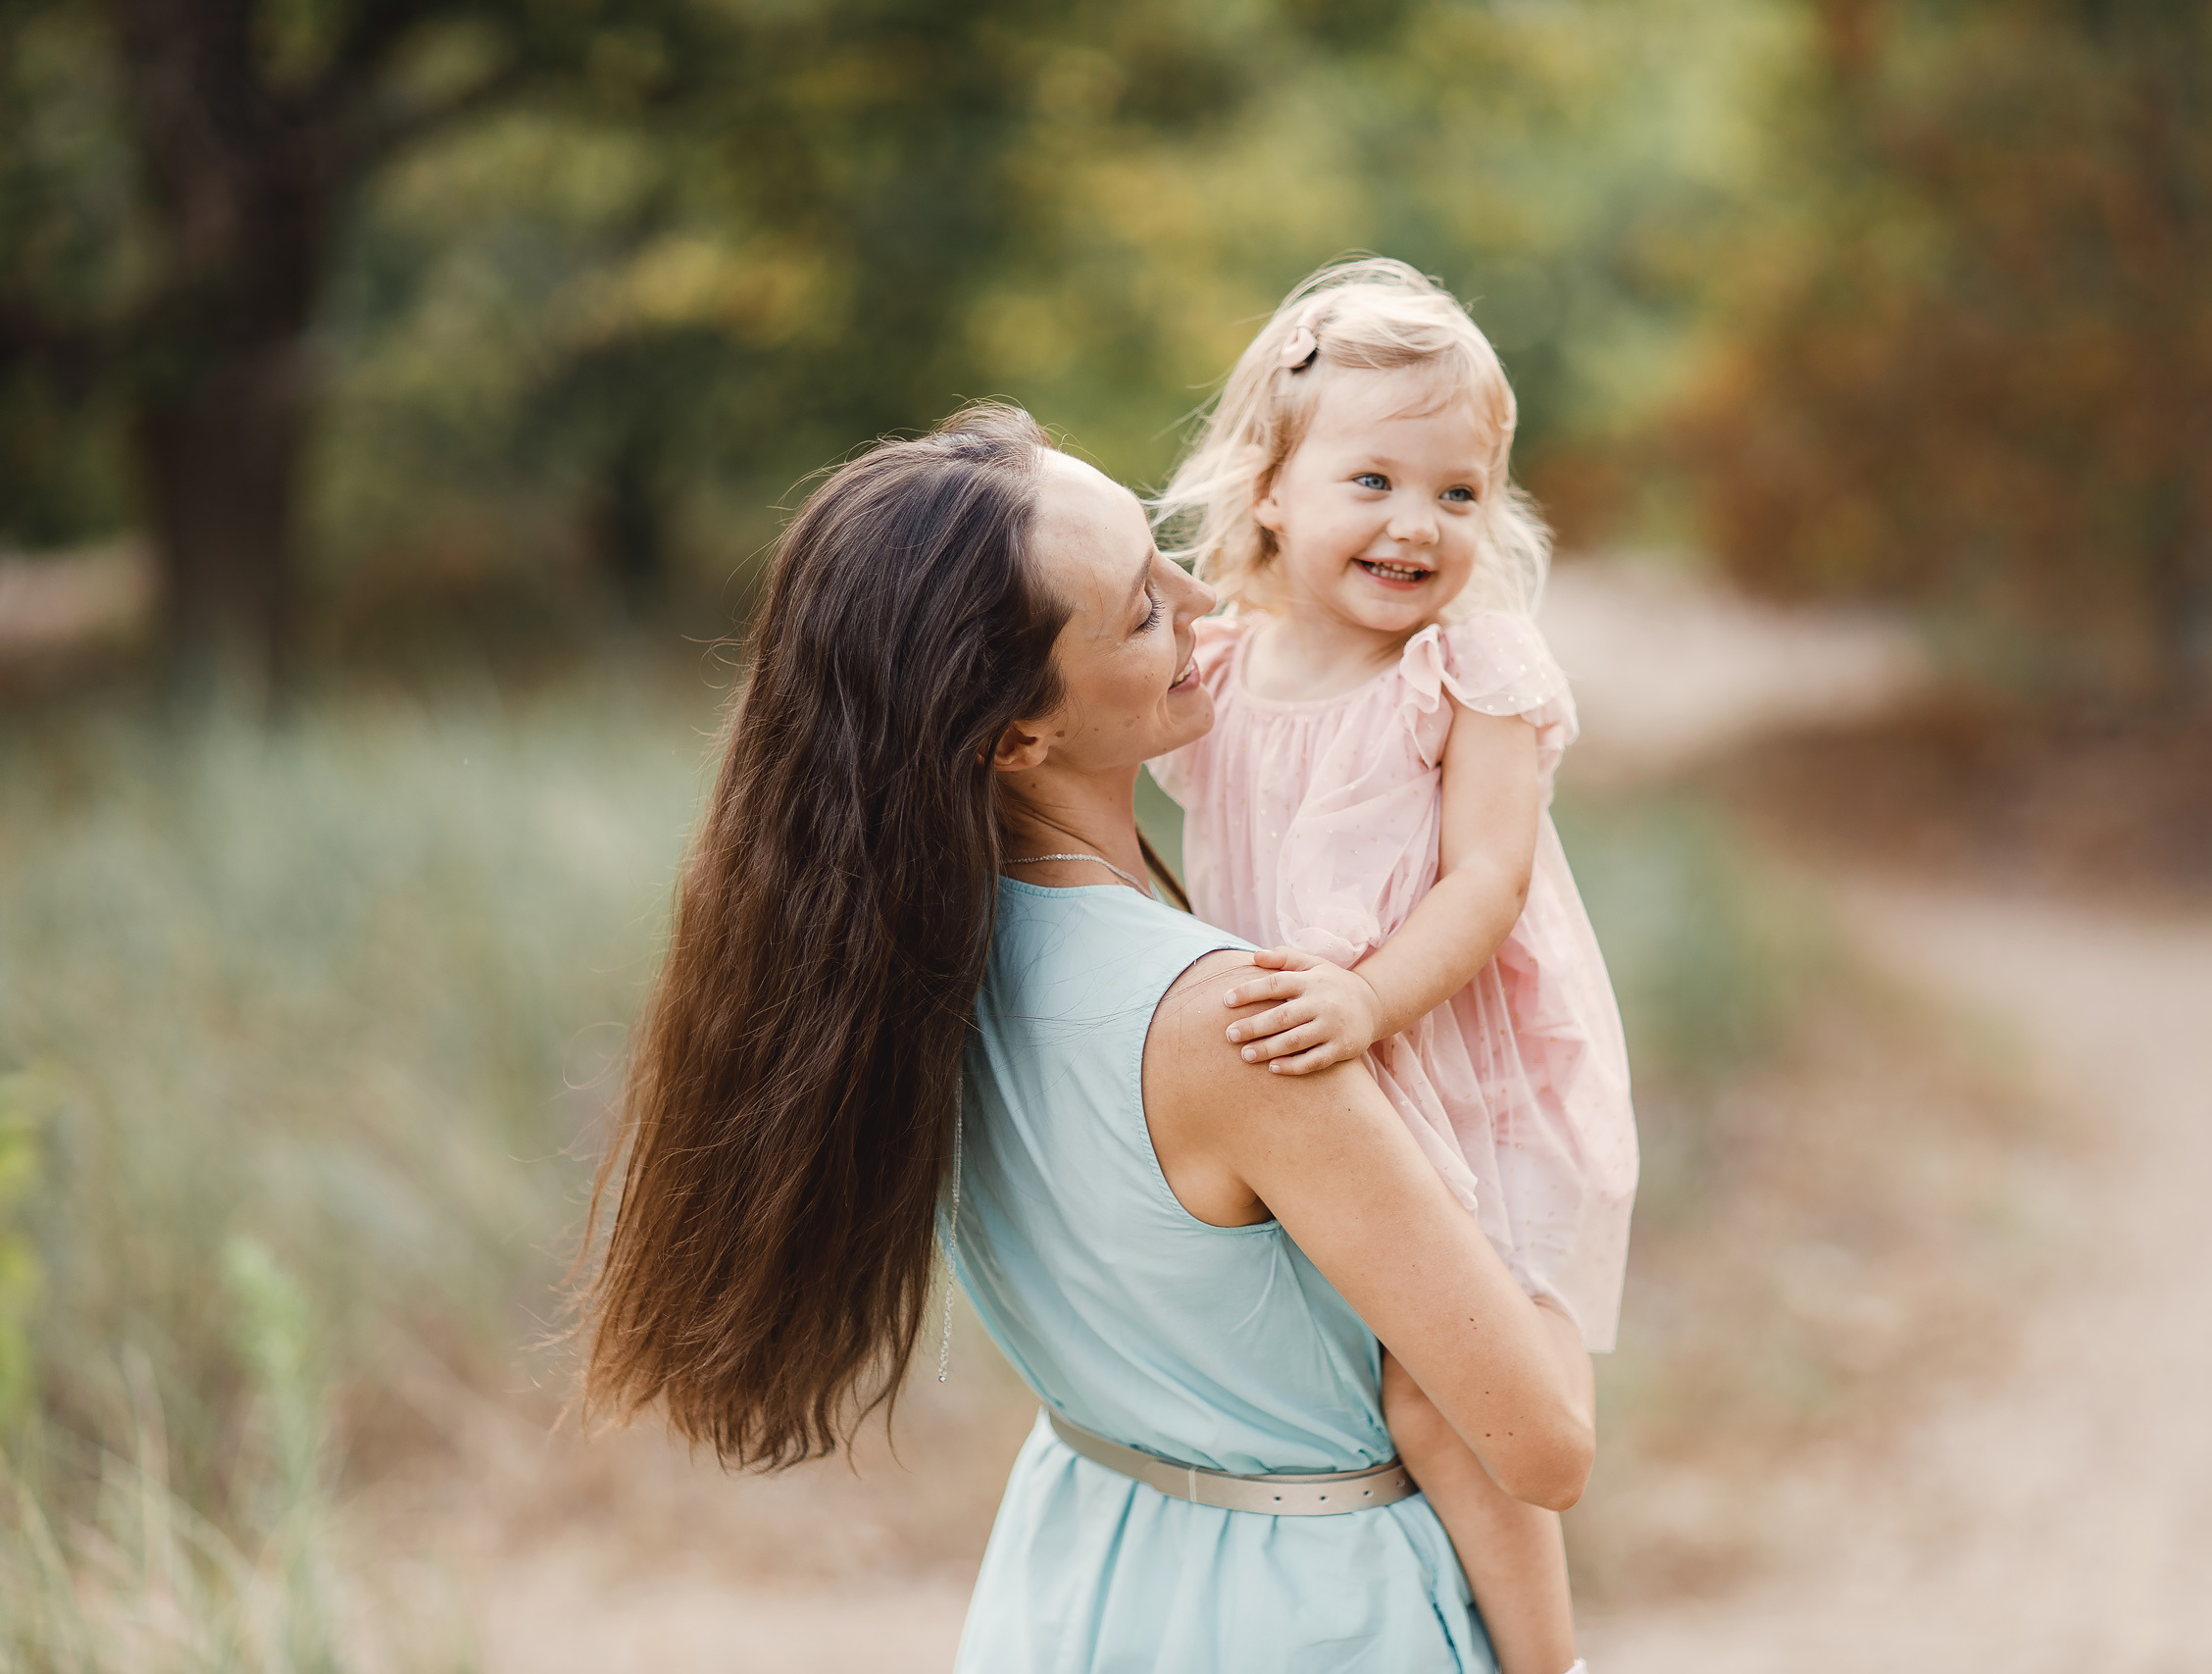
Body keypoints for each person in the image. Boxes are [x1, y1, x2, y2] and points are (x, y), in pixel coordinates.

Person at [576, 403, 1594, 1672]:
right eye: (1144, 610)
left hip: (1084, 1572)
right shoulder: (1224, 1024)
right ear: (1017, 735)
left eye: (1165, 557)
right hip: (1312, 1614)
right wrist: (1544, 1184)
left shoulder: (900, 966)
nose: (1206, 606)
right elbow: (1540, 1442)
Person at [1147, 259, 1639, 1674]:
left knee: (1445, 1396)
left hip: (1455, 1063)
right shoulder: (1223, 669)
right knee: (1343, 1387)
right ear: (1269, 491)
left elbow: (1486, 879)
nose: (1417, 525)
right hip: (1307, 1080)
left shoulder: (1468, 666)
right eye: (1371, 482)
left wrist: (1366, 995)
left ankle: (1549, 1661)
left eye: (1459, 493)